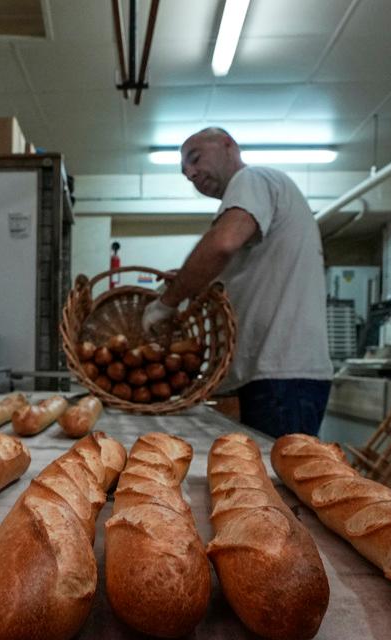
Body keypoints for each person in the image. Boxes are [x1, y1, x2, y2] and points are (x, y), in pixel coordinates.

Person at [141, 127, 332, 438]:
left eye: (195, 158)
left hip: (282, 376)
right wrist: (193, 280)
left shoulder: (252, 179)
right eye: (184, 170)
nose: (190, 173)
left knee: (274, 482)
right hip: (274, 377)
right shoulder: (253, 202)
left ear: (229, 145)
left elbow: (222, 244)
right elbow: (229, 265)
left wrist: (166, 303)